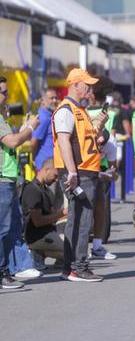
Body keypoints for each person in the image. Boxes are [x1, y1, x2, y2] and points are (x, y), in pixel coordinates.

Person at [53, 68, 109, 282]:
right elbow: (64, 141)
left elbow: (83, 140)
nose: (89, 87)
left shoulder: (79, 109)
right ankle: (78, 267)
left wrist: (99, 129)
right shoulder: (66, 109)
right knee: (82, 219)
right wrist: (72, 172)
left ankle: (71, 267)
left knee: (77, 219)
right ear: (75, 85)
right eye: (85, 83)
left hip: (84, 170)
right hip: (79, 172)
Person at [0, 76, 41, 289]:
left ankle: (11, 268)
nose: (7, 96)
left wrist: (23, 127)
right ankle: (2, 272)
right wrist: (30, 128)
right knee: (3, 229)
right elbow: (13, 141)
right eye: (4, 92)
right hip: (2, 179)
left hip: (7, 177)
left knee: (10, 226)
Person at [86, 76, 117, 261]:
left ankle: (96, 246)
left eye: (90, 90)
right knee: (98, 208)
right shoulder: (82, 111)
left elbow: (109, 139)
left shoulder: (108, 114)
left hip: (99, 163)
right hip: (94, 164)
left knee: (97, 207)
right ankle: (93, 245)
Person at [21, 158, 66, 268]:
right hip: (36, 236)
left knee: (75, 249)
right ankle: (38, 253)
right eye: (55, 176)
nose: (56, 180)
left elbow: (52, 217)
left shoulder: (47, 190)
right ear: (47, 170)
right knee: (73, 255)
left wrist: (67, 215)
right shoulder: (33, 190)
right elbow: (37, 222)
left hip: (48, 232)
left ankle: (44, 255)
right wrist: (61, 214)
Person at [31, 89, 59, 171]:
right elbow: (33, 142)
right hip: (45, 166)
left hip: (51, 163)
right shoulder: (44, 118)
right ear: (43, 101)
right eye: (51, 98)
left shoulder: (49, 115)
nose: (55, 101)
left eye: (56, 98)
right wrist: (33, 160)